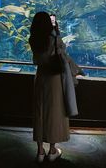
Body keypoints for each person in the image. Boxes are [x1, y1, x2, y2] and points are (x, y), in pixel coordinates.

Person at [29, 11, 80, 163]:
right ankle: (52, 150)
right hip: (54, 79)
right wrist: (56, 32)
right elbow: (62, 55)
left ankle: (39, 151)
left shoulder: (33, 39)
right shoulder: (54, 37)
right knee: (54, 112)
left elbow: (37, 59)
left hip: (41, 77)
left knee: (40, 112)